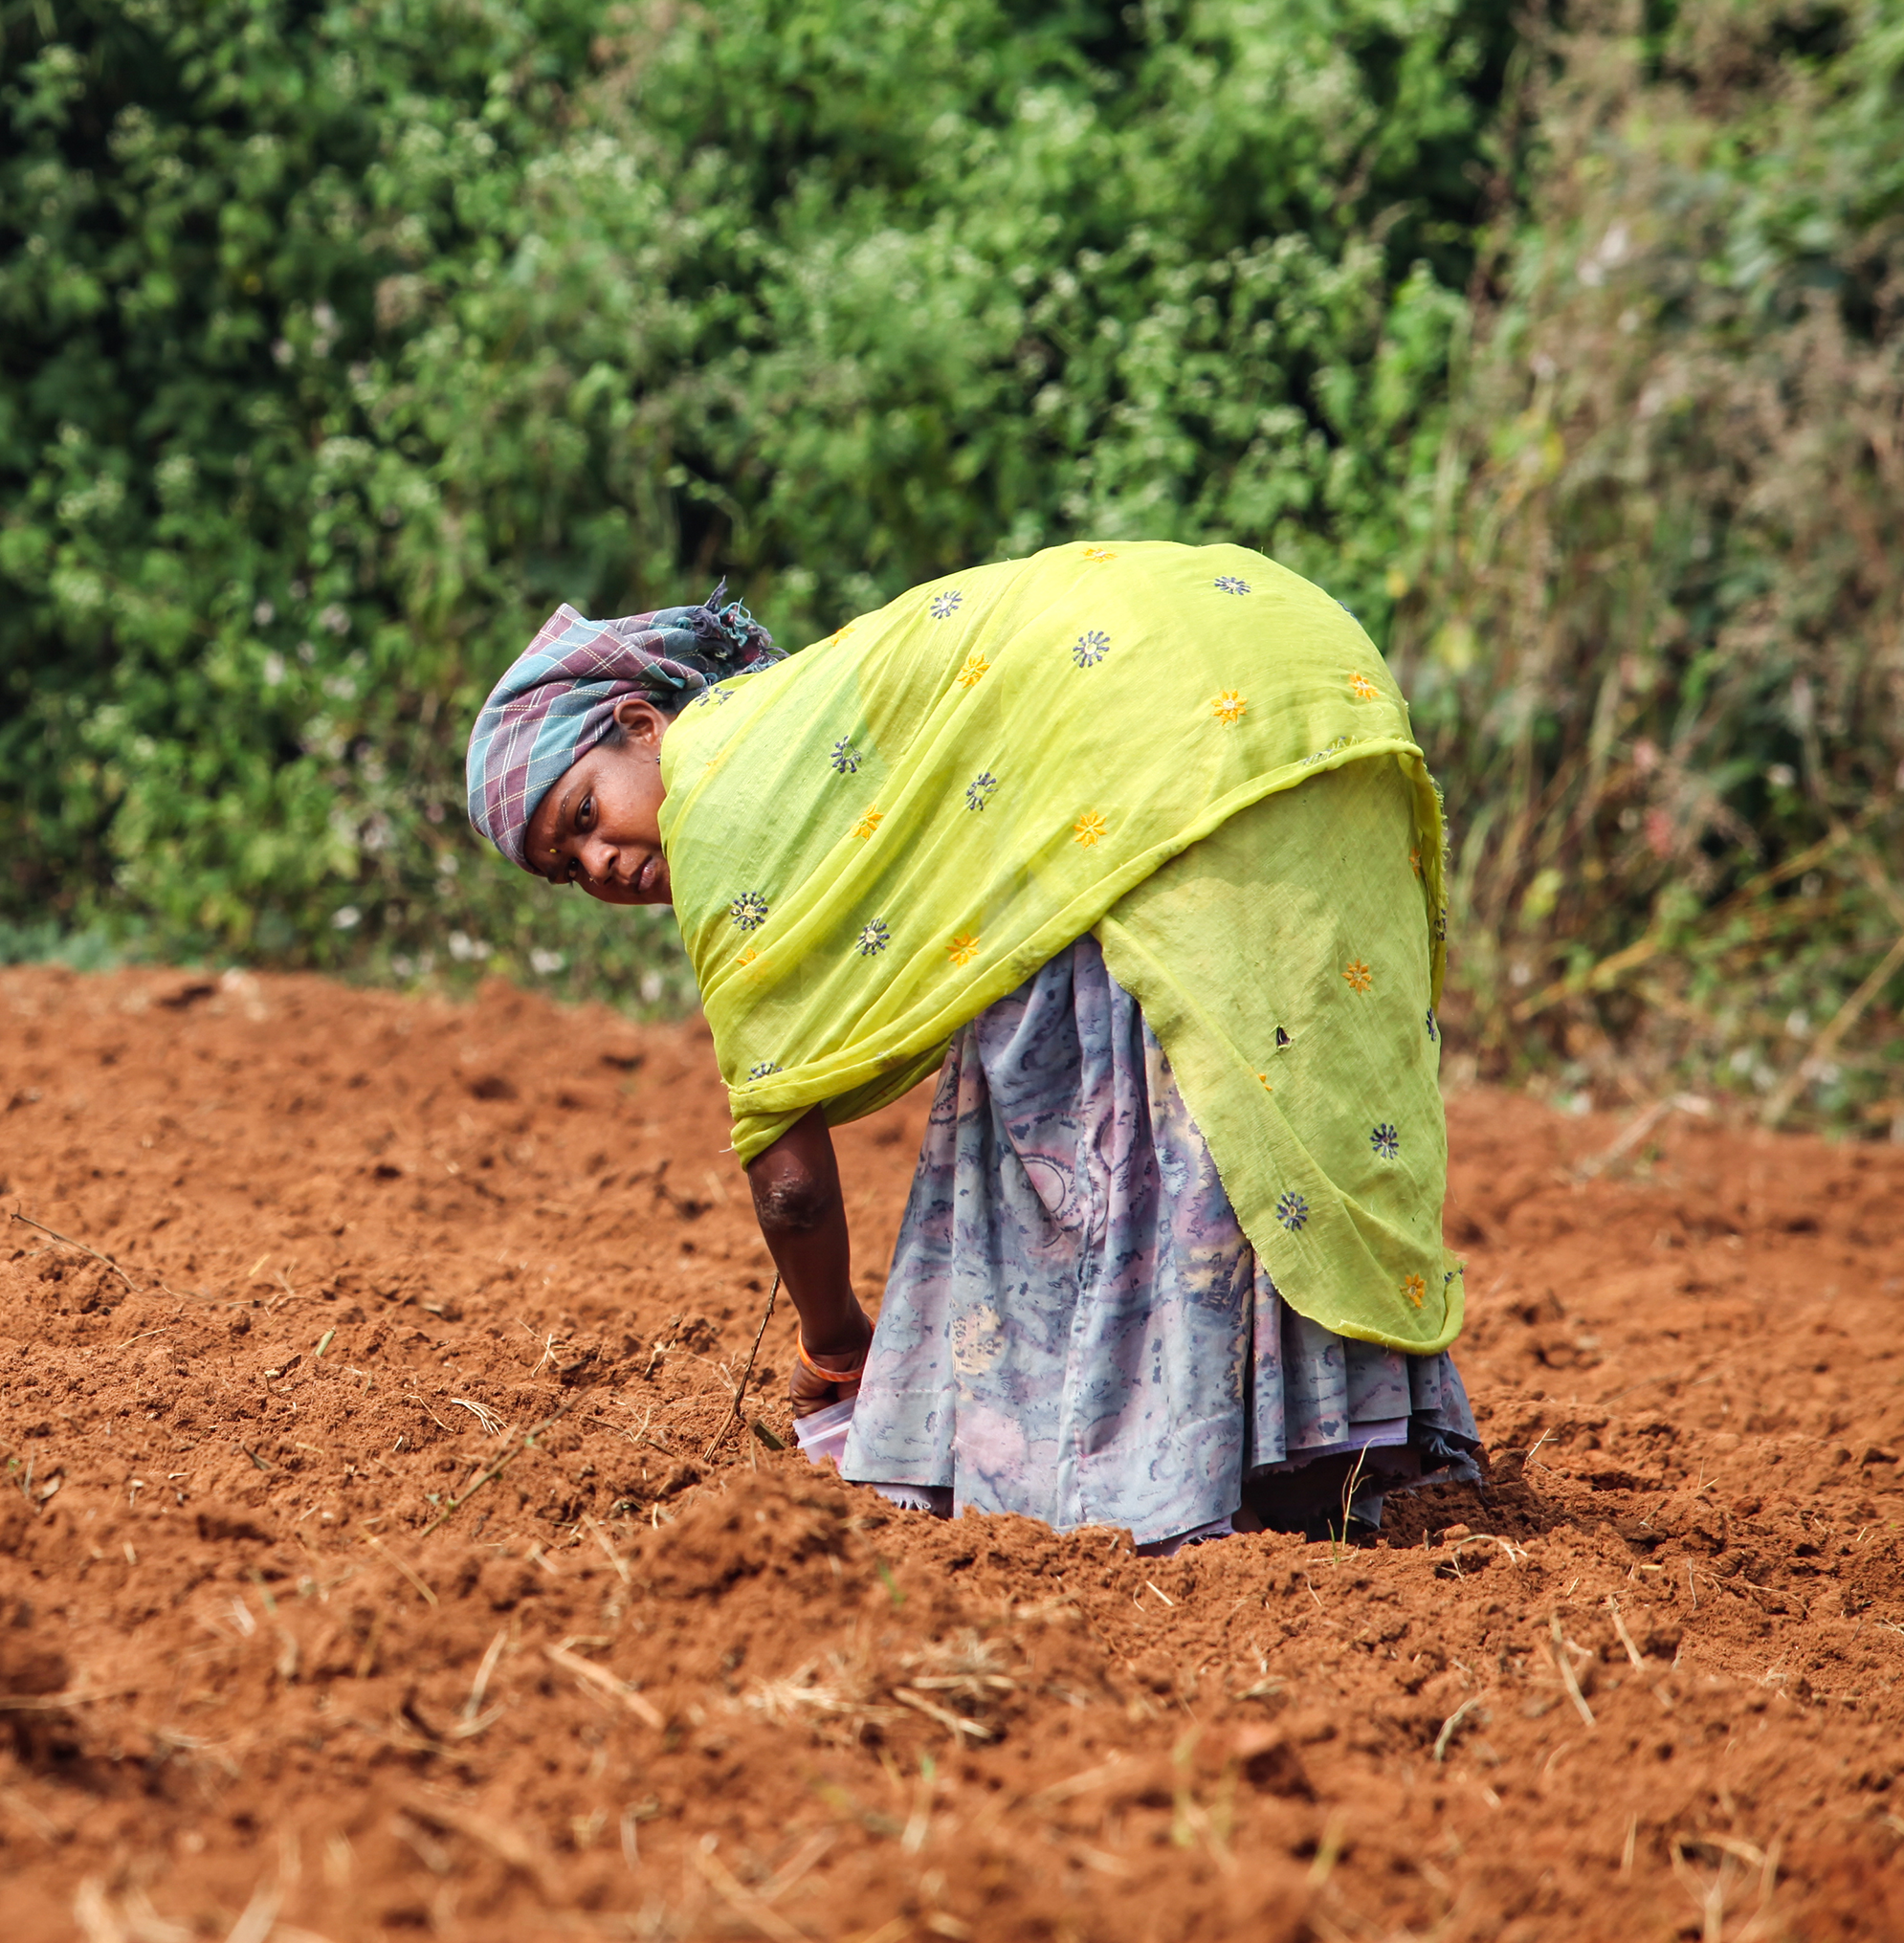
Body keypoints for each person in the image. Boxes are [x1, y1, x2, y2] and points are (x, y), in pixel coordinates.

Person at [465, 541, 1481, 1548]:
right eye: (569, 868)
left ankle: (1177, 1475)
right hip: (1305, 663)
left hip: (1151, 707)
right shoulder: (810, 723)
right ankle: (1329, 1452)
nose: (601, 862)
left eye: (585, 814)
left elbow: (791, 1183)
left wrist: (837, 1348)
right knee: (1266, 1055)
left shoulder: (719, 793)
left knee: (1092, 1060)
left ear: (642, 725)